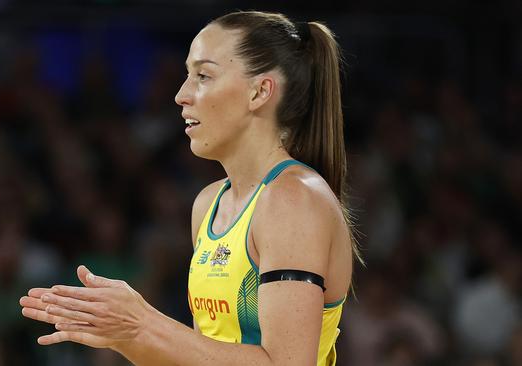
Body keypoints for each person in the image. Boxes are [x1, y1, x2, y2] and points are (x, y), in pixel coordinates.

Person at [20, 10, 359, 366]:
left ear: (260, 91)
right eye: (187, 75)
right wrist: (125, 337)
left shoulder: (294, 199)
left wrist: (145, 324)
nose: (181, 95)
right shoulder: (209, 203)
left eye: (203, 75)